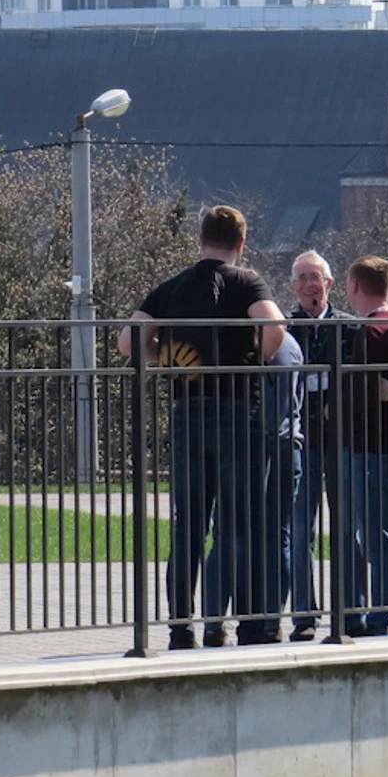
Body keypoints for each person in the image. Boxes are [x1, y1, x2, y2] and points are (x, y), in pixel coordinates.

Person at [121, 205, 286, 650]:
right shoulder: (246, 281)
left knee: (188, 524)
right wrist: (257, 356)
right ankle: (248, 625)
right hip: (236, 410)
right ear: (241, 244)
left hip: (187, 412)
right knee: (239, 522)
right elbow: (274, 327)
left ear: (200, 240)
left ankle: (180, 628)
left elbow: (127, 340)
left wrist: (166, 357)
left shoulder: (173, 287)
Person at [200, 331, 303, 646]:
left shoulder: (236, 344)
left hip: (244, 446)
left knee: (230, 538)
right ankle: (269, 623)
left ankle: (215, 623)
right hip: (288, 444)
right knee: (278, 539)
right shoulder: (291, 344)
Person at [340, 255, 388, 635]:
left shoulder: (368, 332)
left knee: (376, 538)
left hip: (369, 449)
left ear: (355, 286)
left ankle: (383, 617)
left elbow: (360, 393)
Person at [284, 250, 354, 641]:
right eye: (303, 278)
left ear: (330, 284)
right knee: (299, 530)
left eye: (317, 277)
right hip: (299, 441)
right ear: (293, 286)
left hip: (340, 440)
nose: (311, 285)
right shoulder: (284, 327)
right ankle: (304, 616)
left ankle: (348, 611)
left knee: (347, 527)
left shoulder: (350, 327)